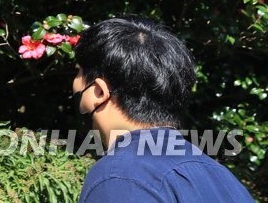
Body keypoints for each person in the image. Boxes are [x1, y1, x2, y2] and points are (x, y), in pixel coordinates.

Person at [71, 15, 254, 202]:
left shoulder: (119, 178)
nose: (74, 83)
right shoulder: (223, 178)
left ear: (99, 92)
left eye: (78, 71)